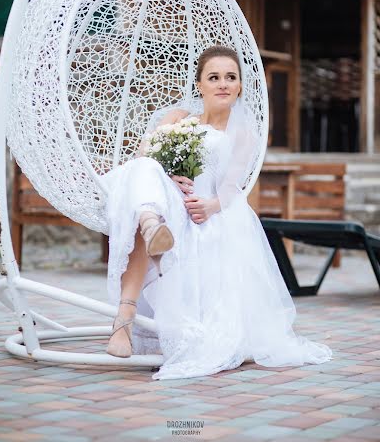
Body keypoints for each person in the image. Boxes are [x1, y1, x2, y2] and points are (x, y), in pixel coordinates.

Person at [101, 45, 332, 380]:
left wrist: (209, 206)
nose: (223, 84)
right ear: (200, 85)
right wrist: (169, 178)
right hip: (165, 201)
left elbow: (233, 187)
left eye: (230, 77)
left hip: (202, 211)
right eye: (214, 77)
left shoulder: (242, 133)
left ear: (239, 86)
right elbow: (141, 159)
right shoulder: (176, 119)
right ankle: (151, 224)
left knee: (145, 208)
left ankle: (124, 317)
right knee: (145, 175)